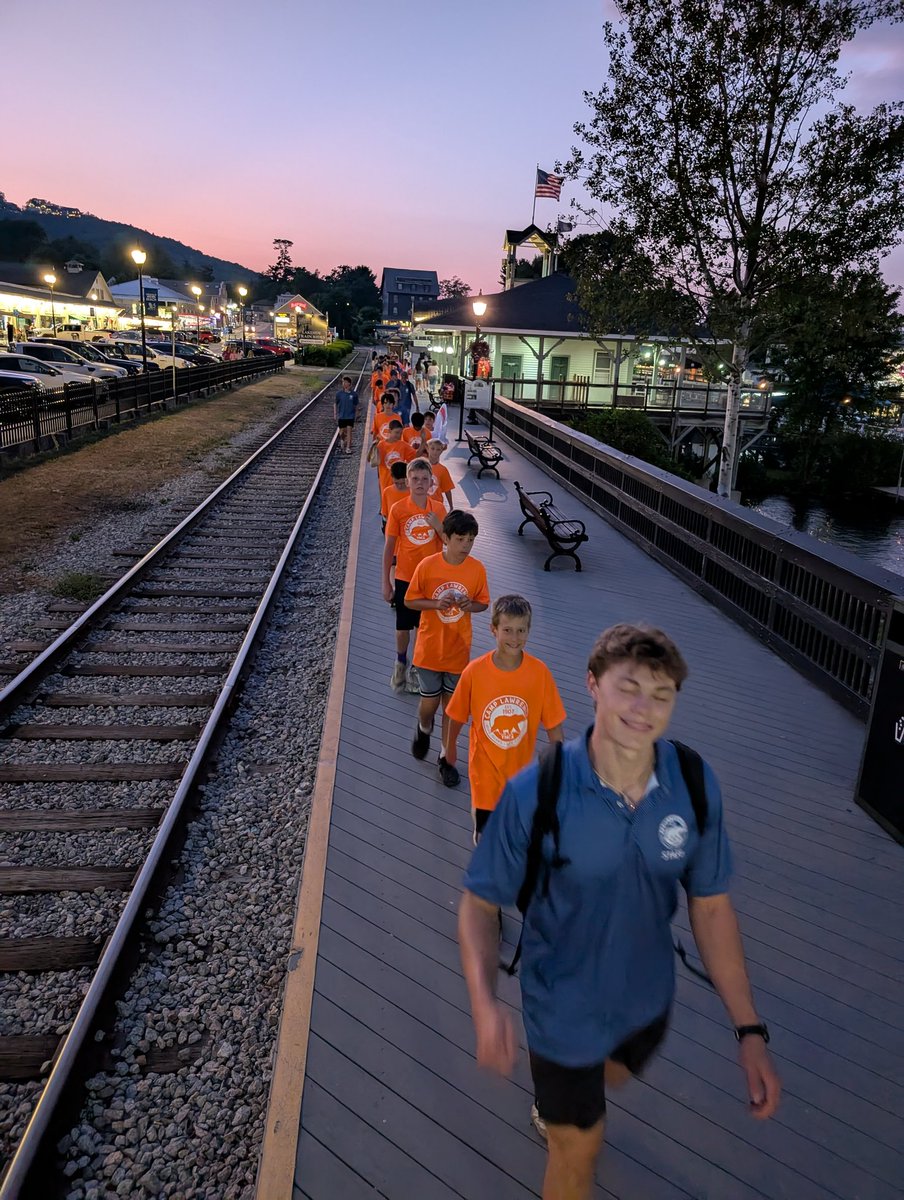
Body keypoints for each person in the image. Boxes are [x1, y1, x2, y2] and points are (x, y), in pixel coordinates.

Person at [458, 623, 781, 1200]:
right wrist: (485, 1004)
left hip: (646, 1002)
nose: (643, 708)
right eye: (628, 687)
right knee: (579, 1148)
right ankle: (561, 1111)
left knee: (612, 1077)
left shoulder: (693, 784)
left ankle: (577, 1095)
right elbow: (480, 903)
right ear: (592, 684)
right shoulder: (538, 793)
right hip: (560, 1008)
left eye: (661, 694)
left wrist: (750, 1029)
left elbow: (710, 908)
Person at [445, 595, 565, 840]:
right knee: (487, 833)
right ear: (493, 630)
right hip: (484, 774)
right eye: (507, 630)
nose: (515, 638)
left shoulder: (539, 673)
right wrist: (449, 750)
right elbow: (456, 716)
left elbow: (553, 724)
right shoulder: (474, 672)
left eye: (521, 630)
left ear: (529, 631)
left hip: (521, 775)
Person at [404, 510, 489, 787]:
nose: (466, 545)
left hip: (458, 650)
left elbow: (483, 603)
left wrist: (469, 606)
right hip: (429, 649)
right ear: (446, 538)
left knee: (451, 710)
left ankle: (445, 758)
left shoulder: (477, 569)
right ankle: (423, 727)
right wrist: (433, 604)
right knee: (429, 705)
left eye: (471, 540)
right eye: (461, 539)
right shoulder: (428, 566)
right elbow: (409, 601)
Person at [382, 459, 446, 693]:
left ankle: (417, 667)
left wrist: (439, 527)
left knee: (424, 627)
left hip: (431, 579)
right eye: (415, 478)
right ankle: (400, 661)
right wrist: (386, 583)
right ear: (408, 481)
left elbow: (449, 542)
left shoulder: (438, 508)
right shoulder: (398, 509)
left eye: (424, 479)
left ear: (431, 482)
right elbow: (389, 547)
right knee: (402, 626)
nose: (419, 483)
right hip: (405, 576)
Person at [375, 420, 415, 498]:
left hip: (401, 483)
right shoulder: (380, 445)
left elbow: (414, 456)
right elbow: (373, 461)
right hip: (385, 481)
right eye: (396, 432)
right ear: (390, 431)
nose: (399, 435)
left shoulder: (403, 445)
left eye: (400, 433)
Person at [425, 438, 455, 511]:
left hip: (437, 504)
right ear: (427, 449)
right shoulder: (420, 465)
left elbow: (447, 489)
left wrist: (451, 507)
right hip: (422, 503)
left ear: (441, 451)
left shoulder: (443, 470)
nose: (435, 452)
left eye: (438, 449)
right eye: (432, 448)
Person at [381, 459, 409, 534]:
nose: (400, 486)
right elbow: (385, 515)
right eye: (396, 483)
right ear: (392, 477)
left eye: (403, 483)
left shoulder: (415, 492)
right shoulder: (387, 492)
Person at [334, 374, 358, 456]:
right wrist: (335, 414)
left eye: (346, 382)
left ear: (349, 384)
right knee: (341, 432)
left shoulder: (354, 394)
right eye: (343, 382)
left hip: (350, 416)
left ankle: (348, 448)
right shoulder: (339, 394)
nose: (344, 384)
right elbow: (335, 404)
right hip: (341, 416)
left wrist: (356, 415)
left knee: (349, 432)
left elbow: (356, 405)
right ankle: (342, 440)